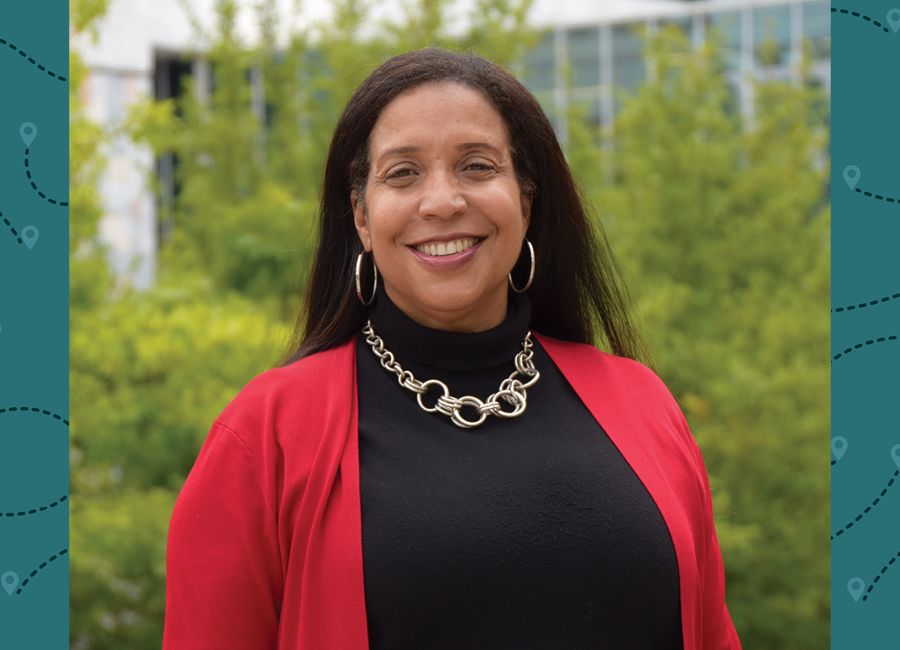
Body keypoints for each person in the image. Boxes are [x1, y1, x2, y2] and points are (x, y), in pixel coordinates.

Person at [163, 48, 741, 649]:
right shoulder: (265, 437)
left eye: (477, 166)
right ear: (361, 216)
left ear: (526, 196)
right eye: (403, 173)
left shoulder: (642, 403)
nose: (442, 201)